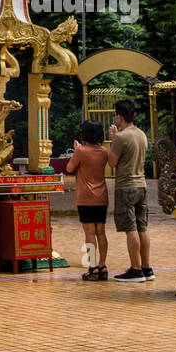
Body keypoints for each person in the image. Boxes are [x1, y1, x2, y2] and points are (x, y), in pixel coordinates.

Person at [108, 99, 153, 283]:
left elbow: (112, 162)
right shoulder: (142, 134)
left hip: (126, 186)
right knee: (142, 227)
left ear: (120, 116)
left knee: (130, 228)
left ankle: (135, 269)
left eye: (115, 115)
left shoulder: (121, 137)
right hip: (141, 185)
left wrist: (113, 140)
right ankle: (147, 268)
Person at [66, 120, 109, 281]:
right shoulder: (104, 151)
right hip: (102, 196)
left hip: (85, 197)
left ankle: (92, 267)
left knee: (89, 233)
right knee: (101, 232)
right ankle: (103, 264)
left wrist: (77, 150)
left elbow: (70, 168)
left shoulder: (81, 151)